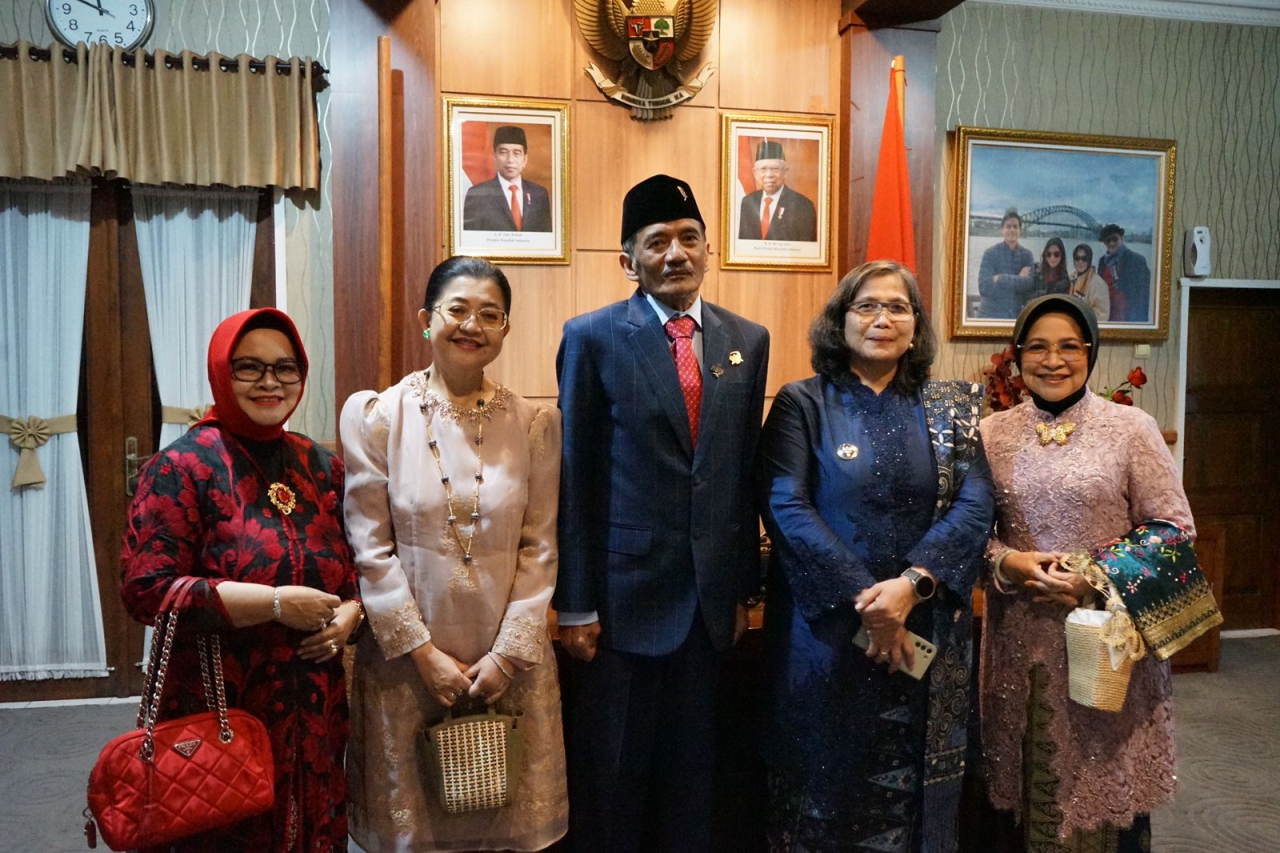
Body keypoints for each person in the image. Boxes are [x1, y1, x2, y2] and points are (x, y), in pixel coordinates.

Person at [554, 174, 770, 852]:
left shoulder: (748, 340)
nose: (674, 253)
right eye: (656, 242)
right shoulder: (590, 338)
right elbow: (575, 478)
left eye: (687, 238)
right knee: (615, 782)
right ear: (628, 260)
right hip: (621, 608)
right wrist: (577, 603)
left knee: (695, 785)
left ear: (709, 248)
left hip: (709, 610)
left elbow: (736, 474)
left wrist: (741, 589)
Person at [758, 259, 995, 852]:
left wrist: (910, 587)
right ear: (840, 322)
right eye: (866, 306)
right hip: (828, 637)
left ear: (916, 326)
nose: (881, 319)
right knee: (822, 791)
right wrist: (870, 600)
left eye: (897, 307)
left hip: (926, 631)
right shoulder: (801, 404)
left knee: (913, 802)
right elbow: (785, 505)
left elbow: (975, 506)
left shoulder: (953, 407)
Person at [342, 256, 568, 851]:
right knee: (417, 827)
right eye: (457, 310)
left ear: (506, 329)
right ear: (427, 320)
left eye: (489, 314)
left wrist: (507, 658)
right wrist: (421, 654)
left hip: (506, 662)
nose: (472, 325)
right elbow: (370, 546)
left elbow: (539, 545)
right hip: (407, 660)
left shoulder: (535, 423)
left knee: (500, 819)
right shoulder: (378, 416)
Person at [120, 308, 361, 851]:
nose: (270, 382)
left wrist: (352, 613)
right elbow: (146, 588)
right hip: (221, 703)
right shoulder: (181, 467)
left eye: (286, 367)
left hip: (316, 707)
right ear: (220, 373)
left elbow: (353, 570)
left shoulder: (321, 466)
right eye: (249, 367)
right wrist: (274, 604)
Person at [979, 294, 1193, 851]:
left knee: (1104, 792)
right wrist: (1007, 561)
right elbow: (969, 531)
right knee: (1029, 782)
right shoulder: (992, 434)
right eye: (1038, 347)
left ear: (1090, 352)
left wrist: (1094, 578)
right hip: (1018, 639)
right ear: (1018, 355)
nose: (1053, 360)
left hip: (1106, 640)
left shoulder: (1130, 427)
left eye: (1069, 346)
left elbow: (1174, 529)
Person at [463, 125, 553, 233]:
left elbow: (546, 238)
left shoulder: (539, 194)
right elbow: (471, 240)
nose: (510, 160)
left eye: (517, 153)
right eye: (503, 152)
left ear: (525, 159)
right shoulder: (478, 194)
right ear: (494, 157)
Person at [738, 140, 819, 242]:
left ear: (785, 172)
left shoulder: (803, 206)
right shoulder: (748, 202)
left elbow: (806, 250)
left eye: (775, 169)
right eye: (763, 169)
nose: (769, 175)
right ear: (755, 173)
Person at [977, 208, 1037, 319]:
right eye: (1008, 226)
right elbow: (984, 287)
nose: (1012, 230)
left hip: (1015, 318)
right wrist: (1018, 279)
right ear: (1002, 230)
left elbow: (1029, 284)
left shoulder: (1027, 255)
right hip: (989, 316)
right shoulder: (990, 253)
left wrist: (1000, 278)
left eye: (1015, 226)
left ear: (1020, 230)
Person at [1096, 223, 1151, 323]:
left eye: (1114, 239)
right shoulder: (1102, 262)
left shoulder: (1137, 260)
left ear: (1121, 238)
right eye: (1108, 241)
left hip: (1128, 315)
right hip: (1108, 314)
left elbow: (1145, 294)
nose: (1111, 243)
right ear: (1105, 243)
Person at [1068, 242, 1111, 321]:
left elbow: (1102, 316)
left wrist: (1078, 316)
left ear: (1089, 260)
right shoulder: (1071, 279)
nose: (1080, 262)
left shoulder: (1099, 284)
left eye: (1084, 259)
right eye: (1077, 258)